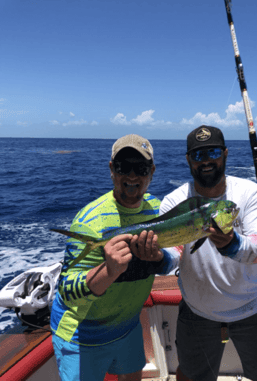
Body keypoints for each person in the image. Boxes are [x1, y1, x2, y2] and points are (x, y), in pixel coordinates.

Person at [160, 126, 257, 381]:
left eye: (213, 152)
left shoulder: (249, 192)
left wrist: (231, 244)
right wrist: (157, 259)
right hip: (197, 313)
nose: (206, 161)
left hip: (252, 309)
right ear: (188, 160)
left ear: (225, 154)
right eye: (197, 155)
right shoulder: (174, 201)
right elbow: (173, 255)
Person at [50, 134, 179, 381]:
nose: (132, 176)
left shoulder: (157, 210)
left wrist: (159, 257)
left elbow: (173, 257)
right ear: (112, 170)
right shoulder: (89, 222)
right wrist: (109, 272)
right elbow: (66, 289)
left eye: (140, 168)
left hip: (126, 327)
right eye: (123, 167)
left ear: (151, 171)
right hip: (81, 335)